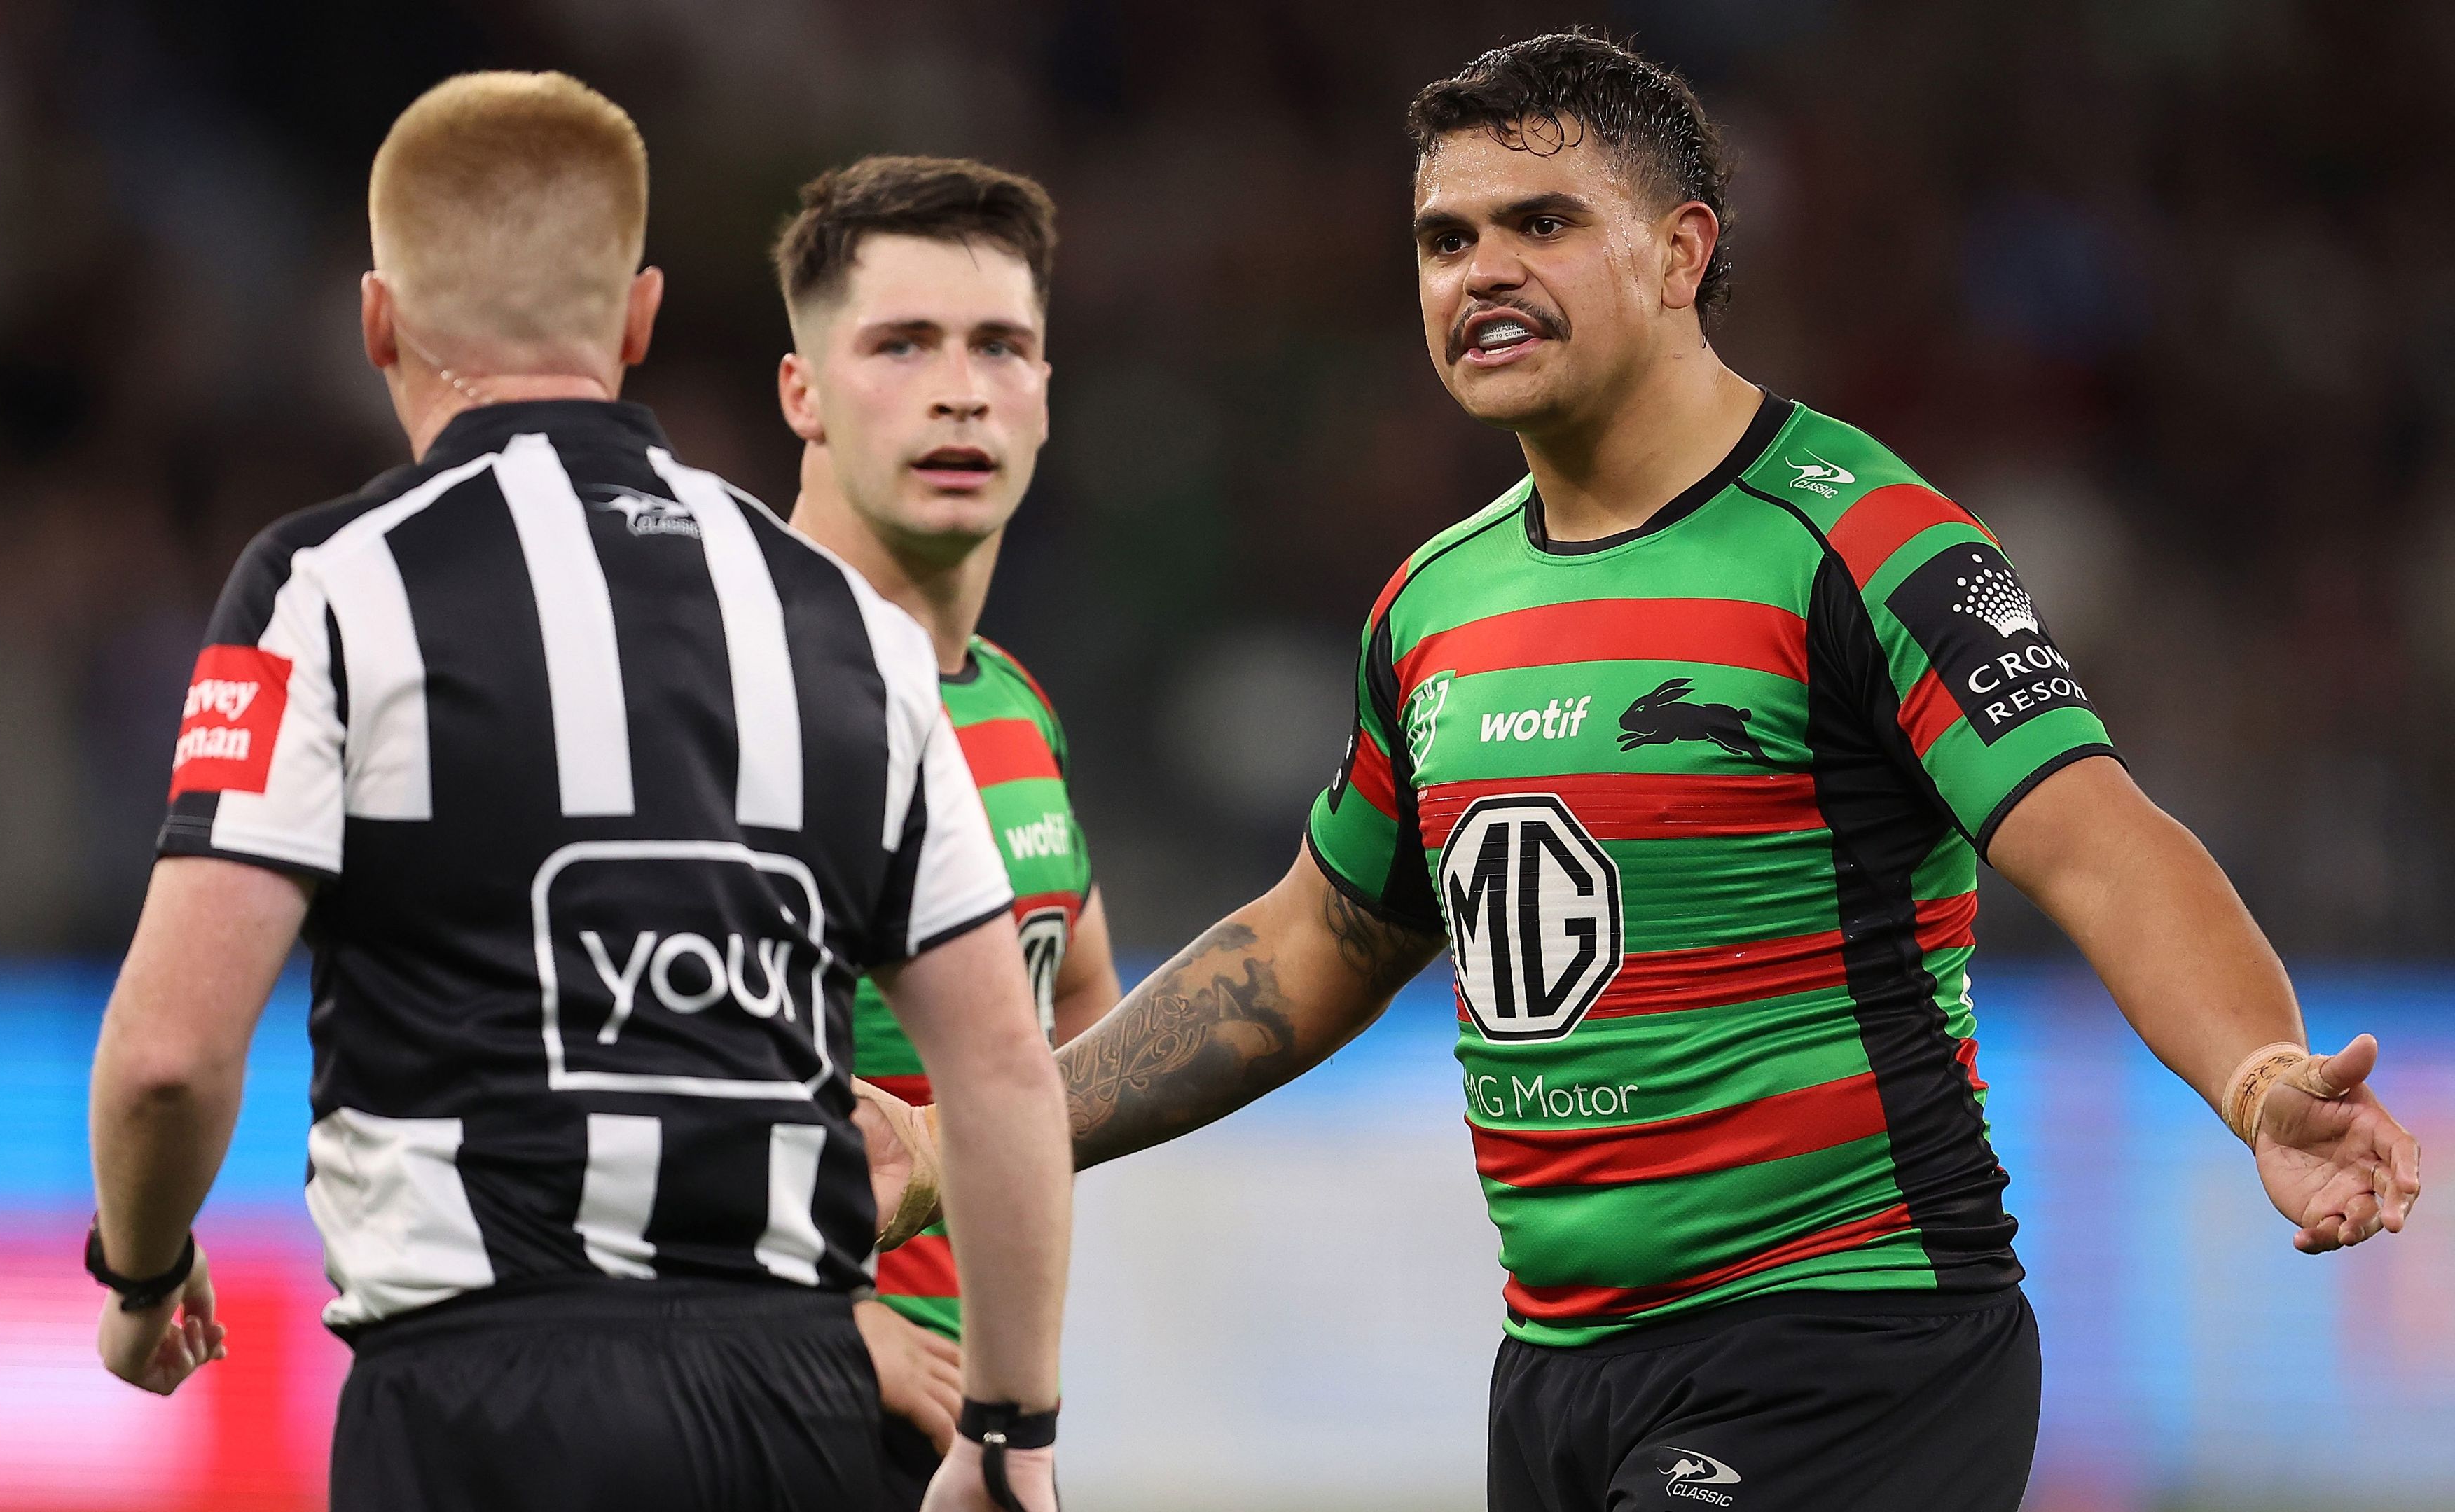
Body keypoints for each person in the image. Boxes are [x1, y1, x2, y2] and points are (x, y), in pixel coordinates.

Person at [864, 30, 2422, 1512]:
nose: (1480, 272)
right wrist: (965, 1141)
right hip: (1556, 1368)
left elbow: (2099, 839)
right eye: (1445, 238)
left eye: (1540, 223)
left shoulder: (1862, 540)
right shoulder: (1433, 602)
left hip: (1848, 1340)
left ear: (1682, 253)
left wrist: (2257, 1077)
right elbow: (1313, 944)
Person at [83, 72, 1069, 1512]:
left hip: (479, 1400)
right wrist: (1008, 1429)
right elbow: (1001, 1070)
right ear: (639, 315)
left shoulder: (330, 586)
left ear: (376, 322)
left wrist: (143, 1270)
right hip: (803, 1402)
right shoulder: (850, 620)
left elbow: (170, 1052)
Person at [768, 155, 1117, 1508]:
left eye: (1000, 347)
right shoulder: (726, 684)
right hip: (775, 1409)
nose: (960, 386)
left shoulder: (1015, 704)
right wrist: (828, 1314)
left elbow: (1077, 1008)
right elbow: (569, 1067)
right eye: (900, 344)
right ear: (802, 390)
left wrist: (1008, 1379)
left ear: (1042, 397)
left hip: (977, 1430)